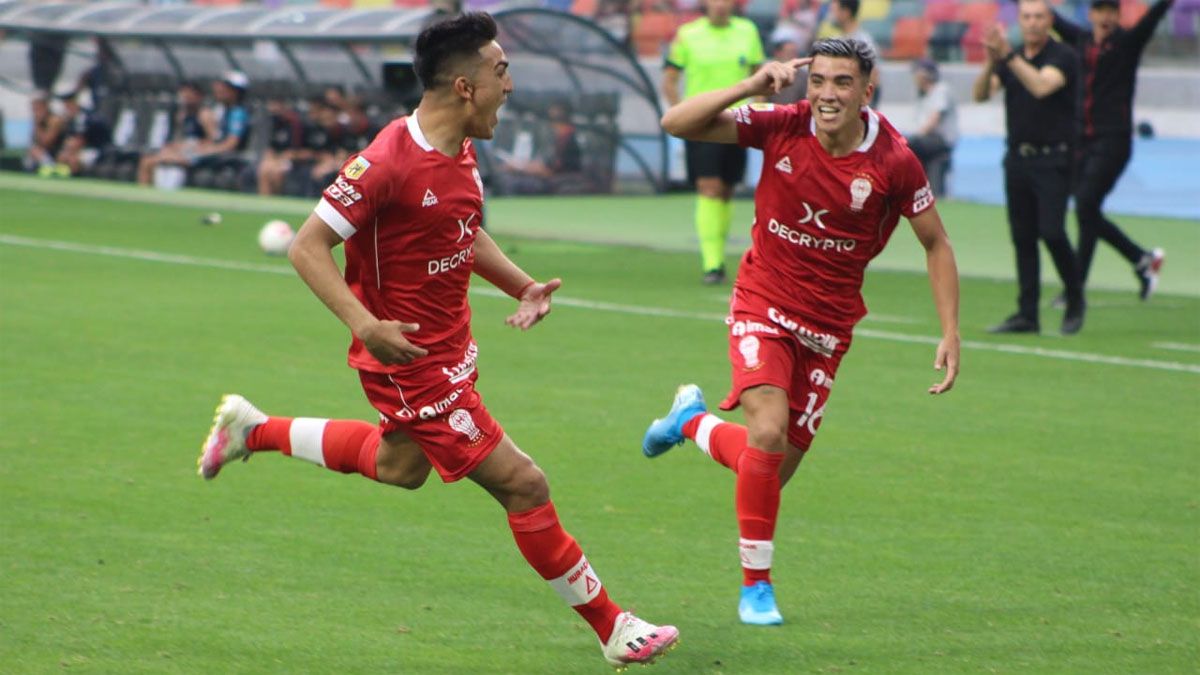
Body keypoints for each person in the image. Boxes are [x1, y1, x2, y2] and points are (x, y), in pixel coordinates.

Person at [196, 13, 678, 668]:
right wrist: (365, 325)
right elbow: (307, 247)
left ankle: (253, 430)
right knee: (524, 484)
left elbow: (460, 229)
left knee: (401, 467)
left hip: (451, 351)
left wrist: (522, 285)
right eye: (501, 71)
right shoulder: (385, 163)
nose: (511, 84)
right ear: (465, 86)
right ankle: (613, 627)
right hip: (410, 364)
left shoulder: (462, 149)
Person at [645, 37, 960, 626]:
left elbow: (936, 242)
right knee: (766, 432)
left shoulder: (893, 160)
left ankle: (690, 422)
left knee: (769, 469)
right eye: (817, 80)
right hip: (763, 300)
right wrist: (750, 86)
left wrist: (950, 330)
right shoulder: (783, 124)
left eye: (842, 82)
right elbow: (676, 122)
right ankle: (757, 588)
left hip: (828, 326)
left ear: (867, 91)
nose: (827, 94)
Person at [974, 0, 1085, 335]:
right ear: (1019, 21)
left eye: (1039, 17)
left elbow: (1040, 86)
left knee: (1052, 231)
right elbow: (981, 94)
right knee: (1022, 237)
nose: (1033, 23)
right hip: (1018, 158)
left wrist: (1007, 55)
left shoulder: (1063, 56)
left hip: (1053, 158)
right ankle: (1027, 313)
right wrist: (991, 61)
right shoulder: (1012, 58)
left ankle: (1075, 297)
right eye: (1027, 17)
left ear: (1050, 20)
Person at [1053, 0, 1172, 301]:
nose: (1105, 17)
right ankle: (1140, 260)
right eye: (1100, 11)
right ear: (1091, 14)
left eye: (1111, 12)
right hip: (1082, 140)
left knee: (1085, 205)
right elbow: (1050, 18)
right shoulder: (1081, 40)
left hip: (1113, 140)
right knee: (1087, 211)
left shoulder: (1127, 43)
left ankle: (1078, 286)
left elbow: (1153, 17)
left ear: (1118, 16)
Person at [663, 0, 765, 284]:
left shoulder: (747, 31)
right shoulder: (688, 34)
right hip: (703, 124)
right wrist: (683, 115)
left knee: (727, 190)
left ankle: (718, 255)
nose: (720, 4)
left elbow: (759, 77)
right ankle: (712, 263)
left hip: (737, 124)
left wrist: (757, 112)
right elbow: (669, 80)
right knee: (709, 187)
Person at [906, 58, 958, 197]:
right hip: (928, 141)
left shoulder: (941, 90)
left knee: (906, 145)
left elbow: (935, 118)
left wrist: (915, 138)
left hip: (939, 140)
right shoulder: (922, 95)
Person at [818, 0, 881, 102]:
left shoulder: (863, 42)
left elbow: (873, 77)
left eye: (833, 11)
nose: (830, 16)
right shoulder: (835, 40)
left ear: (845, 13)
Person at [53, 92, 111, 177]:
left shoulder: (84, 117)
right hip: (81, 149)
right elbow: (69, 138)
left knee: (74, 160)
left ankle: (75, 180)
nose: (67, 108)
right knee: (62, 156)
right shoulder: (71, 118)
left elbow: (79, 140)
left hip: (96, 150)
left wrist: (70, 152)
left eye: (69, 105)